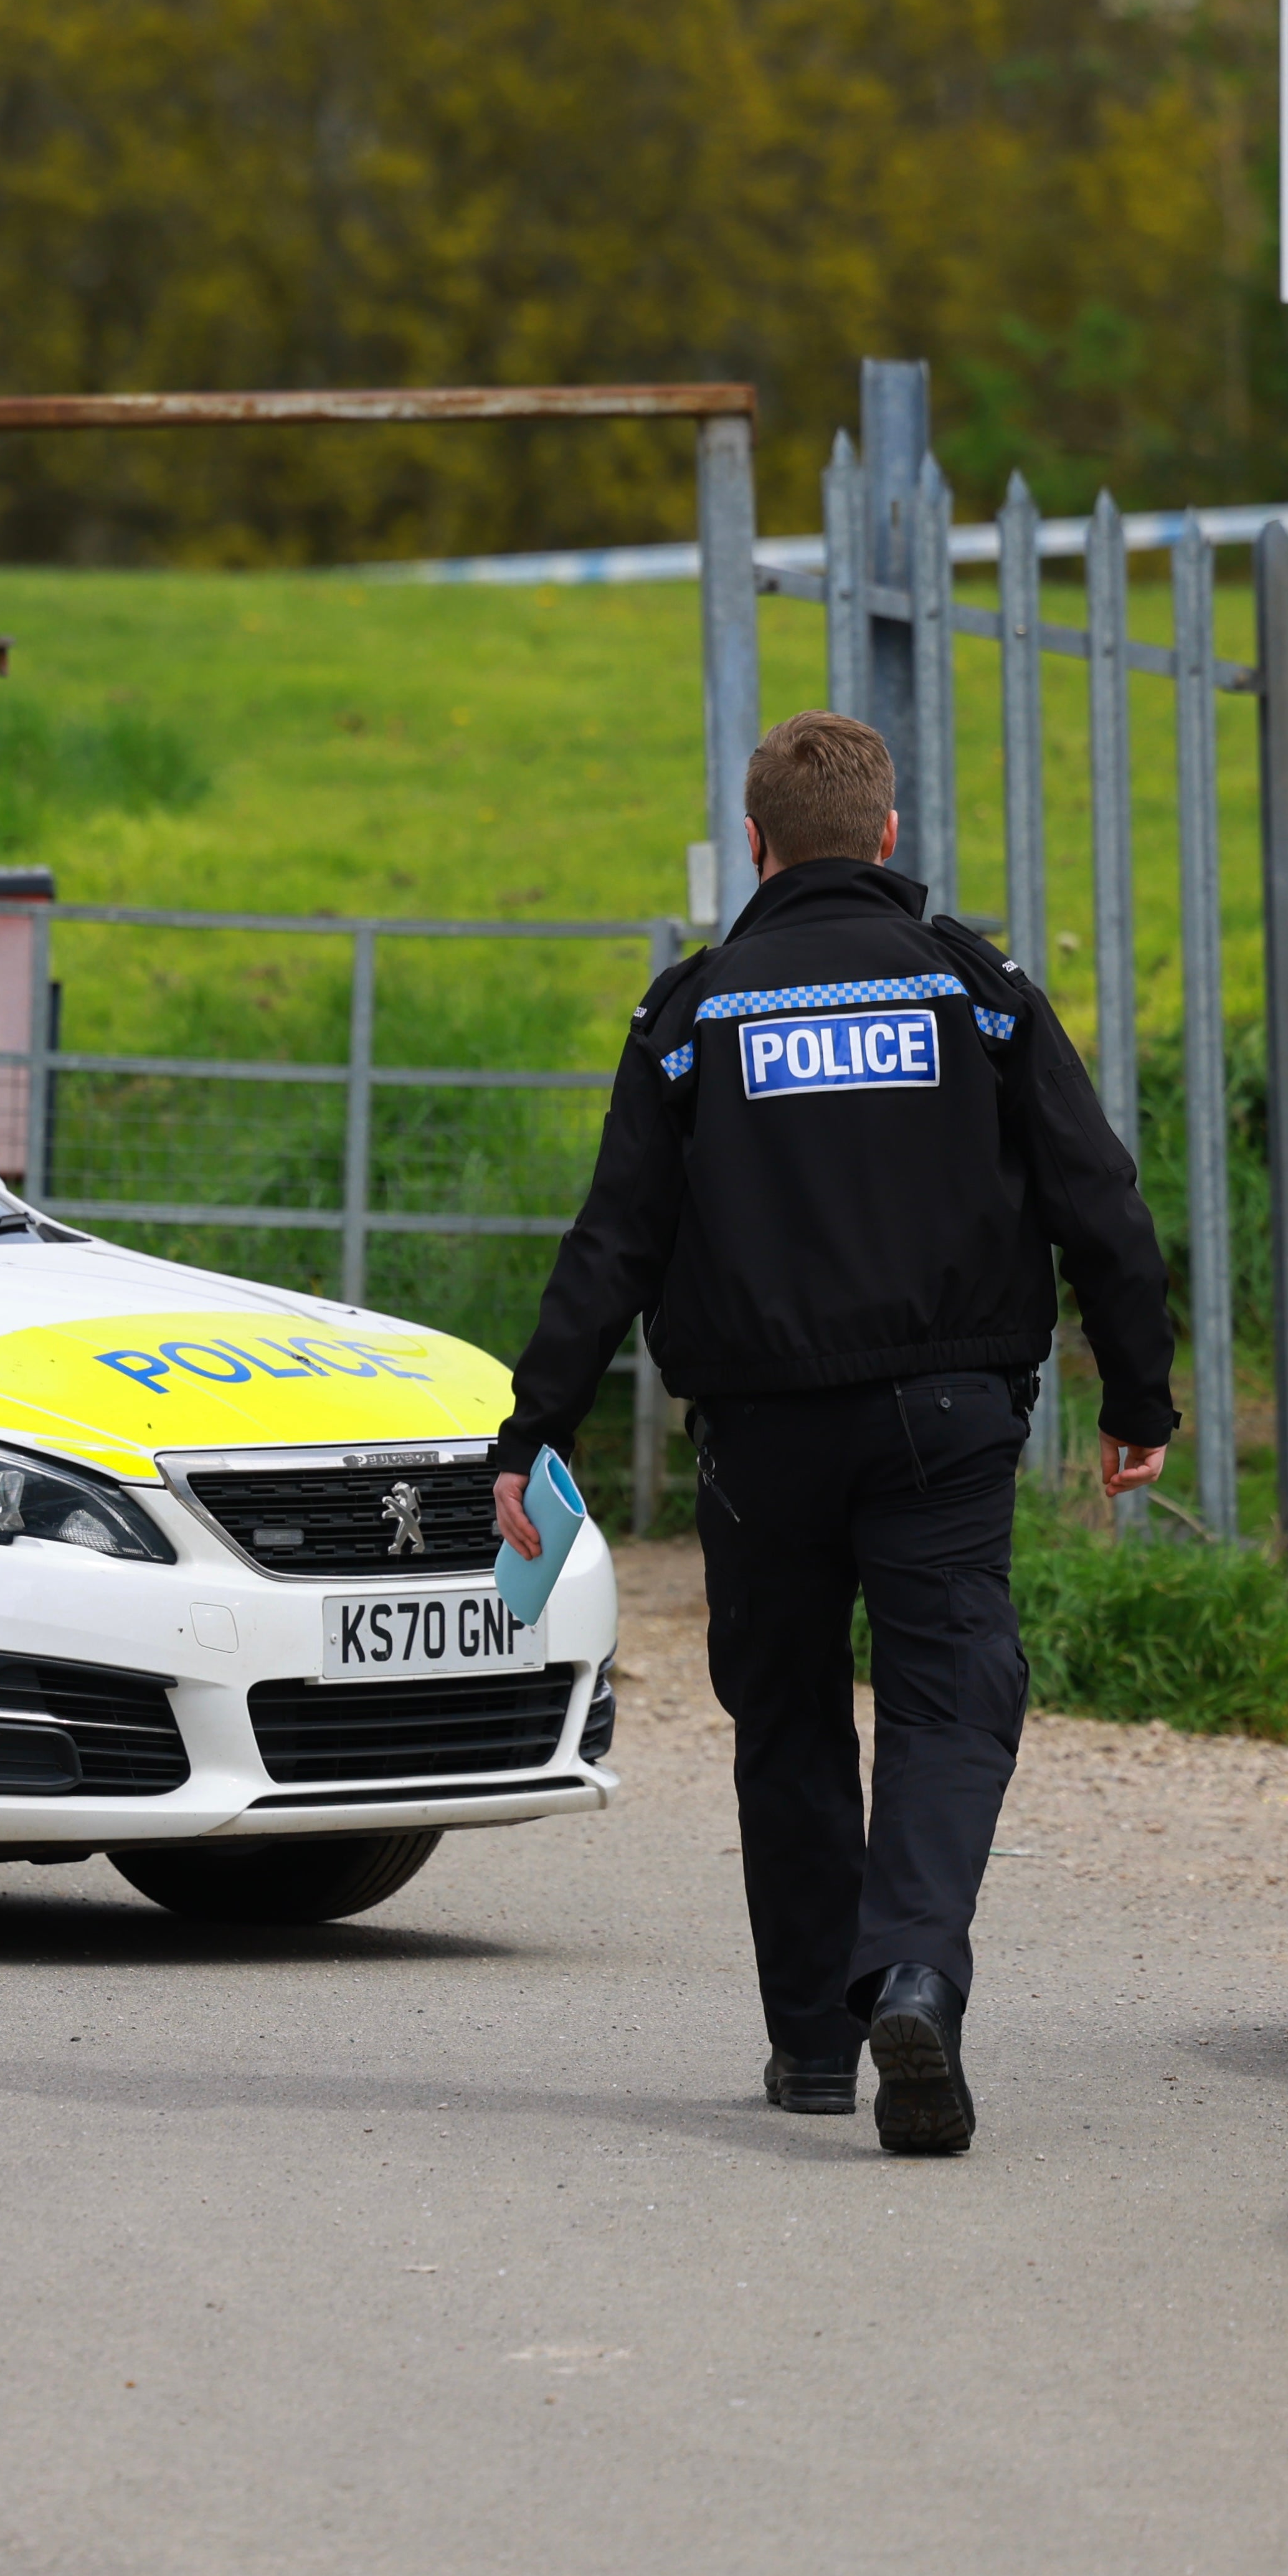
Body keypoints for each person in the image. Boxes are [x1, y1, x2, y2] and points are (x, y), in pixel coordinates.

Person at [493, 711, 1173, 2156]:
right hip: (946, 1421)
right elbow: (1100, 1200)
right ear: (886, 837)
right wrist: (1138, 1400)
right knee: (947, 1697)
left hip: (760, 1442)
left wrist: (530, 1432)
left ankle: (812, 2045)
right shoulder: (979, 995)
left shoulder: (691, 1016)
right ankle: (914, 1975)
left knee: (790, 1719)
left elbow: (611, 1245)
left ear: (756, 845)